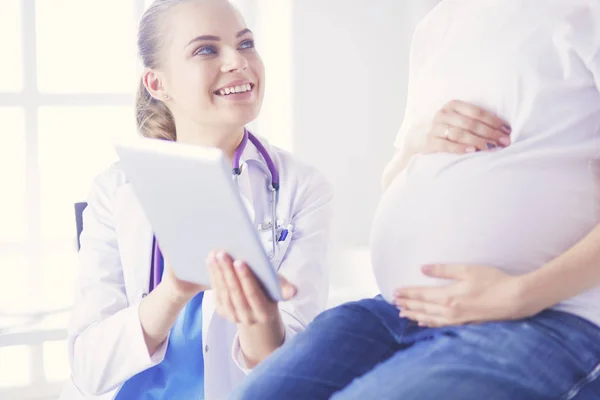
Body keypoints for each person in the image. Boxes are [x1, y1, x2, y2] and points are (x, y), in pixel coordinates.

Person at [231, 1, 600, 399]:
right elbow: (397, 178)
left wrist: (519, 294)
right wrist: (415, 143)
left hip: (547, 317)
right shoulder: (437, 25)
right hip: (394, 311)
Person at [59, 0, 333, 399]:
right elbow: (88, 369)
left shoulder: (301, 188)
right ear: (157, 84)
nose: (237, 61)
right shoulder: (116, 190)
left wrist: (260, 315)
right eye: (206, 49)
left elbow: (287, 372)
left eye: (245, 43)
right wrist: (172, 291)